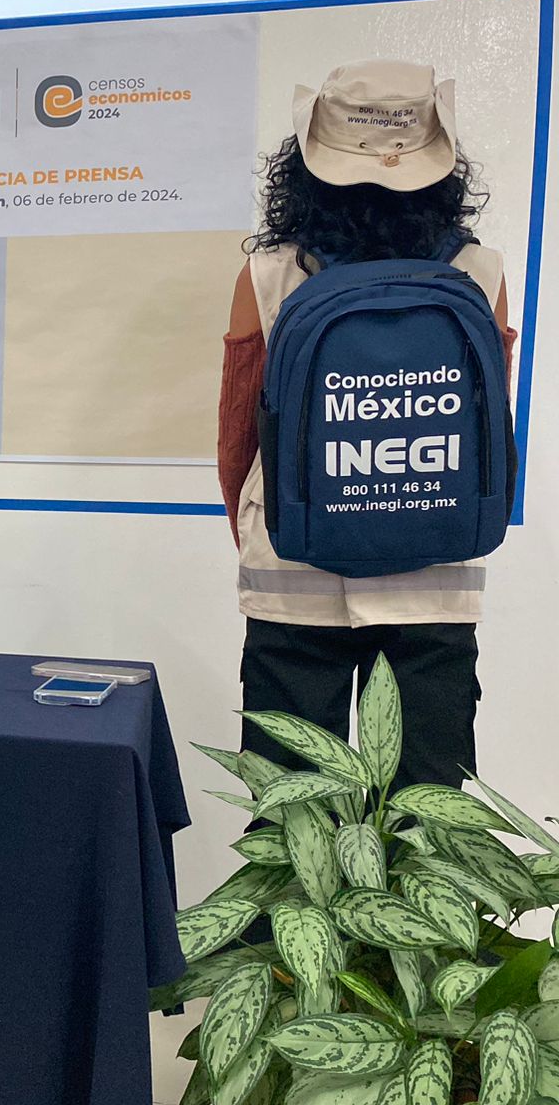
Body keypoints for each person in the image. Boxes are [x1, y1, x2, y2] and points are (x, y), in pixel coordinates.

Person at [218, 59, 516, 789]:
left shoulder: (267, 274)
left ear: (306, 167)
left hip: (293, 573)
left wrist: (270, 523)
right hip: (435, 571)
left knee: (292, 810)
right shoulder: (481, 270)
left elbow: (237, 436)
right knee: (424, 812)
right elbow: (489, 428)